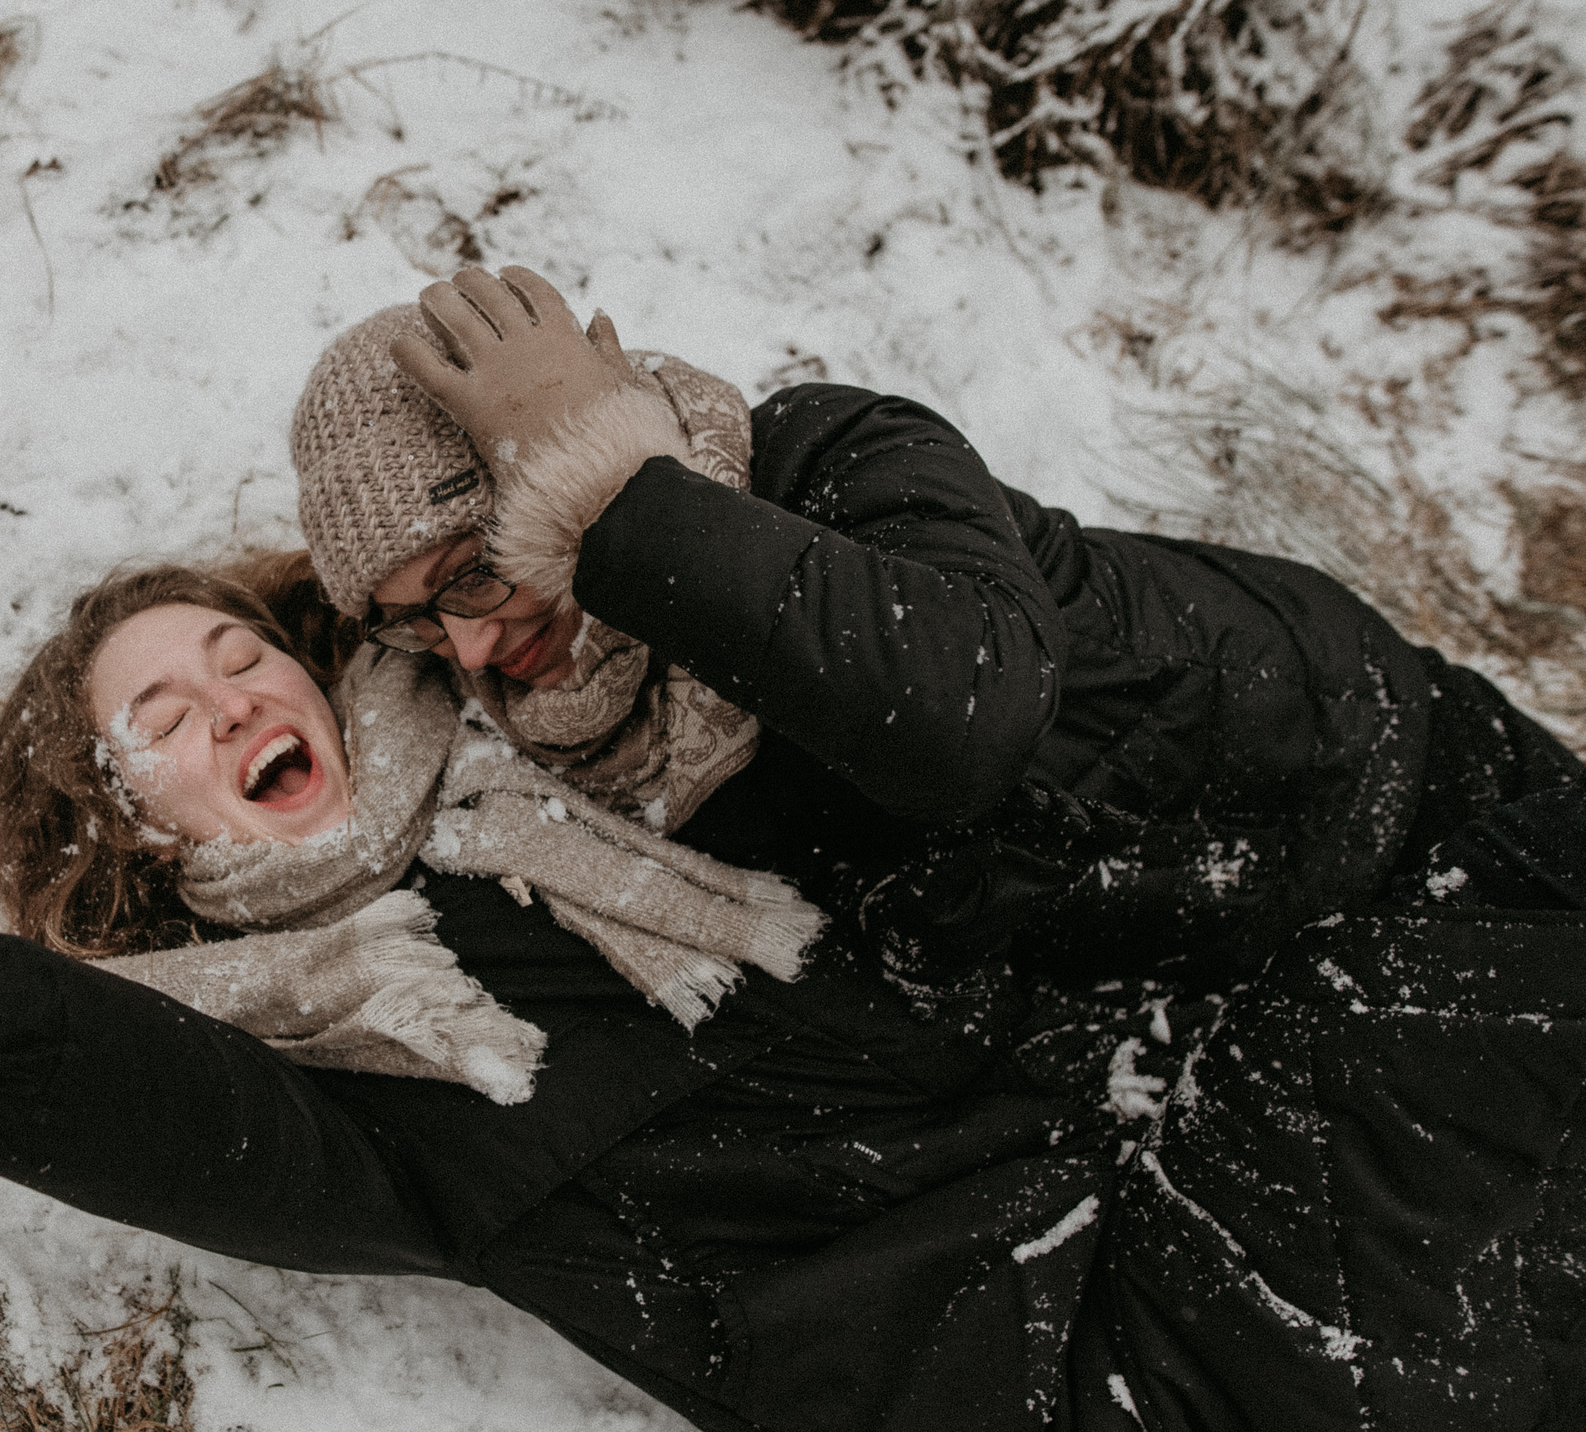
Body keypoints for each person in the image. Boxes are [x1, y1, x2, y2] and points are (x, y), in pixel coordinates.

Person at [0, 573, 1586, 1432]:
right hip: (1098, 1364)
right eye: (159, 715)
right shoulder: (339, 1056)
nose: (229, 694)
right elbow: (187, 1126)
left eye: (239, 650)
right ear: (125, 830)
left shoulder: (591, 784)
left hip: (1204, 1168)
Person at [286, 267, 1586, 974]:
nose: (464, 649)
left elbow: (966, 717)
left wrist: (619, 499)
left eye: (471, 571)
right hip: (1294, 959)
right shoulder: (577, 727)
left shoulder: (824, 455)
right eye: (409, 622)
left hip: (1401, 776)